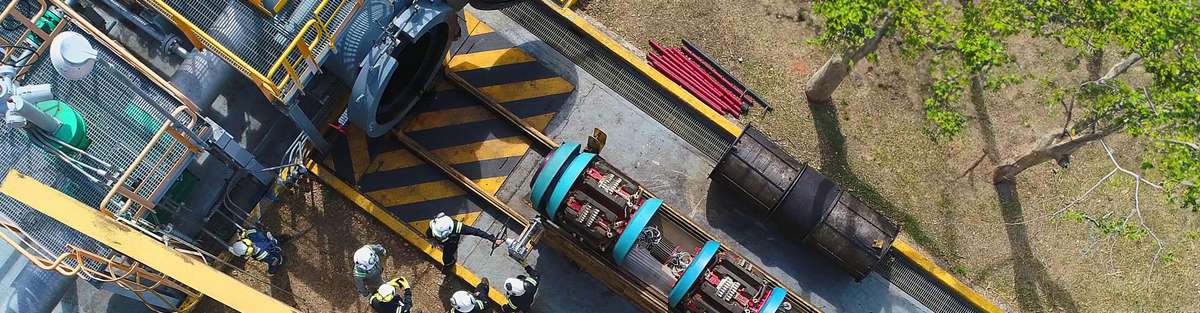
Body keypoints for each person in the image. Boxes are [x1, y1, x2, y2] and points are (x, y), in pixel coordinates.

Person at [426, 212, 503, 268]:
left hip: (452, 242)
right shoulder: (434, 226)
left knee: (446, 259)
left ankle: (450, 263)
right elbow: (429, 235)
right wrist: (434, 242)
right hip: (446, 241)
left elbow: (476, 231)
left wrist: (493, 239)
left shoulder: (458, 228)